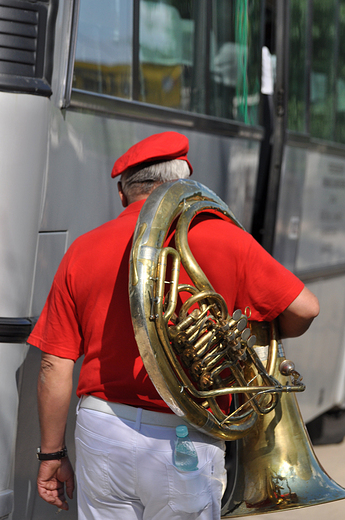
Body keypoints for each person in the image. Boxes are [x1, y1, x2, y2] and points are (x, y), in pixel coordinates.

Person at [29, 131, 319, 520]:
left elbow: (53, 364)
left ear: (122, 192)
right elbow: (306, 308)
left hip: (103, 430)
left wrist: (51, 452)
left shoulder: (83, 248)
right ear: (183, 182)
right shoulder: (225, 237)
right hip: (187, 436)